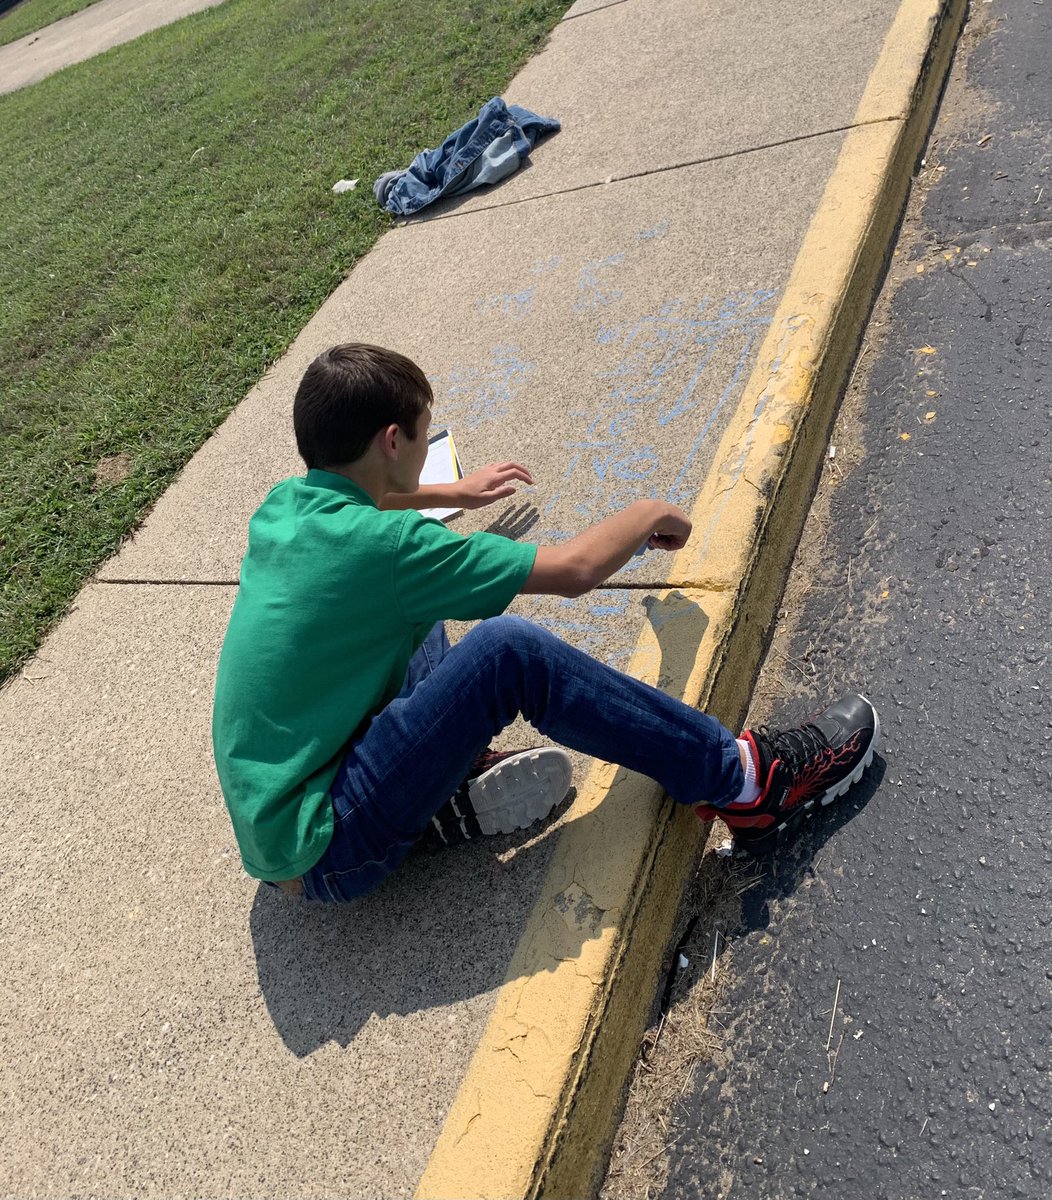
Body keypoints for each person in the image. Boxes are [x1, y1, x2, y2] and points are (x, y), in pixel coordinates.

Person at [212, 344, 879, 902]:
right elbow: (573, 571)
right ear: (393, 441)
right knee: (508, 653)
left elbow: (380, 499)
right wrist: (646, 514)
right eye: (421, 432)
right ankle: (748, 784)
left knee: (427, 620)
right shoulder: (392, 551)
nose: (422, 449)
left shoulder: (286, 507)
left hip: (282, 809)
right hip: (327, 847)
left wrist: (452, 493)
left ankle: (442, 793)